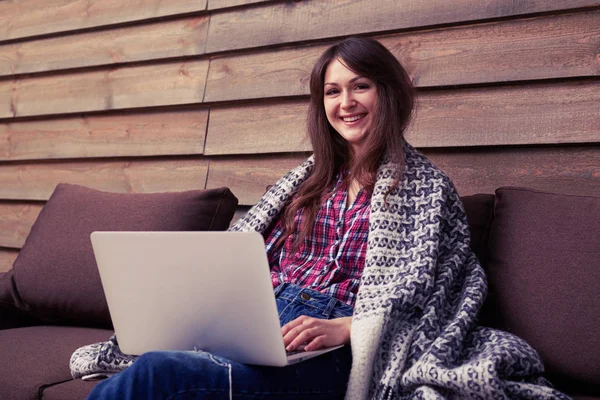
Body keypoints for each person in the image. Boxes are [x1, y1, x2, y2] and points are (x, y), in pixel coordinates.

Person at [73, 37, 567, 400]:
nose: (345, 103)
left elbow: (431, 299)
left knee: (157, 376)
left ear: (389, 93)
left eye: (361, 86)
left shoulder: (425, 188)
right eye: (332, 91)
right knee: (158, 375)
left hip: (329, 344)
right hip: (260, 326)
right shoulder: (304, 181)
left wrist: (349, 328)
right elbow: (243, 258)